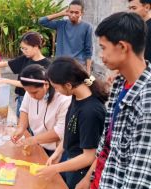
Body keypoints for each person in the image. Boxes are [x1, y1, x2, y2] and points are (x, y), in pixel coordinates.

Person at [84, 12, 151, 189]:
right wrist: (90, 178)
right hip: (104, 178)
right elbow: (108, 143)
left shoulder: (146, 100)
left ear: (122, 46)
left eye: (103, 48)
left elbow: (138, 178)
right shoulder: (120, 83)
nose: (100, 54)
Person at [37, 57, 107, 189]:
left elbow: (89, 157)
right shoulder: (76, 96)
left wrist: (56, 169)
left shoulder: (90, 112)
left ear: (68, 85)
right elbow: (70, 130)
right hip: (72, 164)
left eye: (56, 87)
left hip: (83, 171)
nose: (56, 91)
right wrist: (58, 152)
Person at [0, 32, 50, 118]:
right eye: (22, 48)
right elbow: (6, 63)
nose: (23, 51)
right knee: (20, 122)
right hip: (21, 98)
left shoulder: (46, 65)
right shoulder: (25, 58)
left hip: (35, 99)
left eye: (26, 48)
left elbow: (28, 84)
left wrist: (6, 80)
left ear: (36, 47)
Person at [11, 64, 71, 157]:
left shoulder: (63, 99)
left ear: (46, 84)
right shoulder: (30, 92)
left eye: (35, 92)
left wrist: (32, 140)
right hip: (39, 144)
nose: (31, 96)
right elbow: (24, 110)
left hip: (58, 150)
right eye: (28, 92)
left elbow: (59, 132)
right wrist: (21, 128)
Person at [38, 0, 93, 73]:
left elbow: (88, 50)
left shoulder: (87, 27)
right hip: (60, 64)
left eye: (76, 12)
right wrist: (61, 13)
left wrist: (88, 71)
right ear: (68, 12)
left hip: (77, 66)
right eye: (71, 12)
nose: (73, 15)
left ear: (82, 13)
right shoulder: (61, 24)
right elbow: (42, 21)